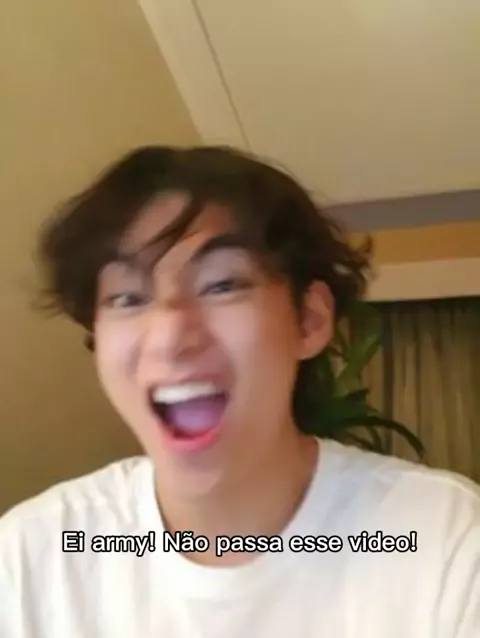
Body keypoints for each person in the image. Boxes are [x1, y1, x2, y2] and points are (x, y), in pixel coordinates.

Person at [0, 146, 478, 637]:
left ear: (309, 319)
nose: (170, 338)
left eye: (222, 285)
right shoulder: (33, 555)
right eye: (128, 297)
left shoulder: (446, 541)